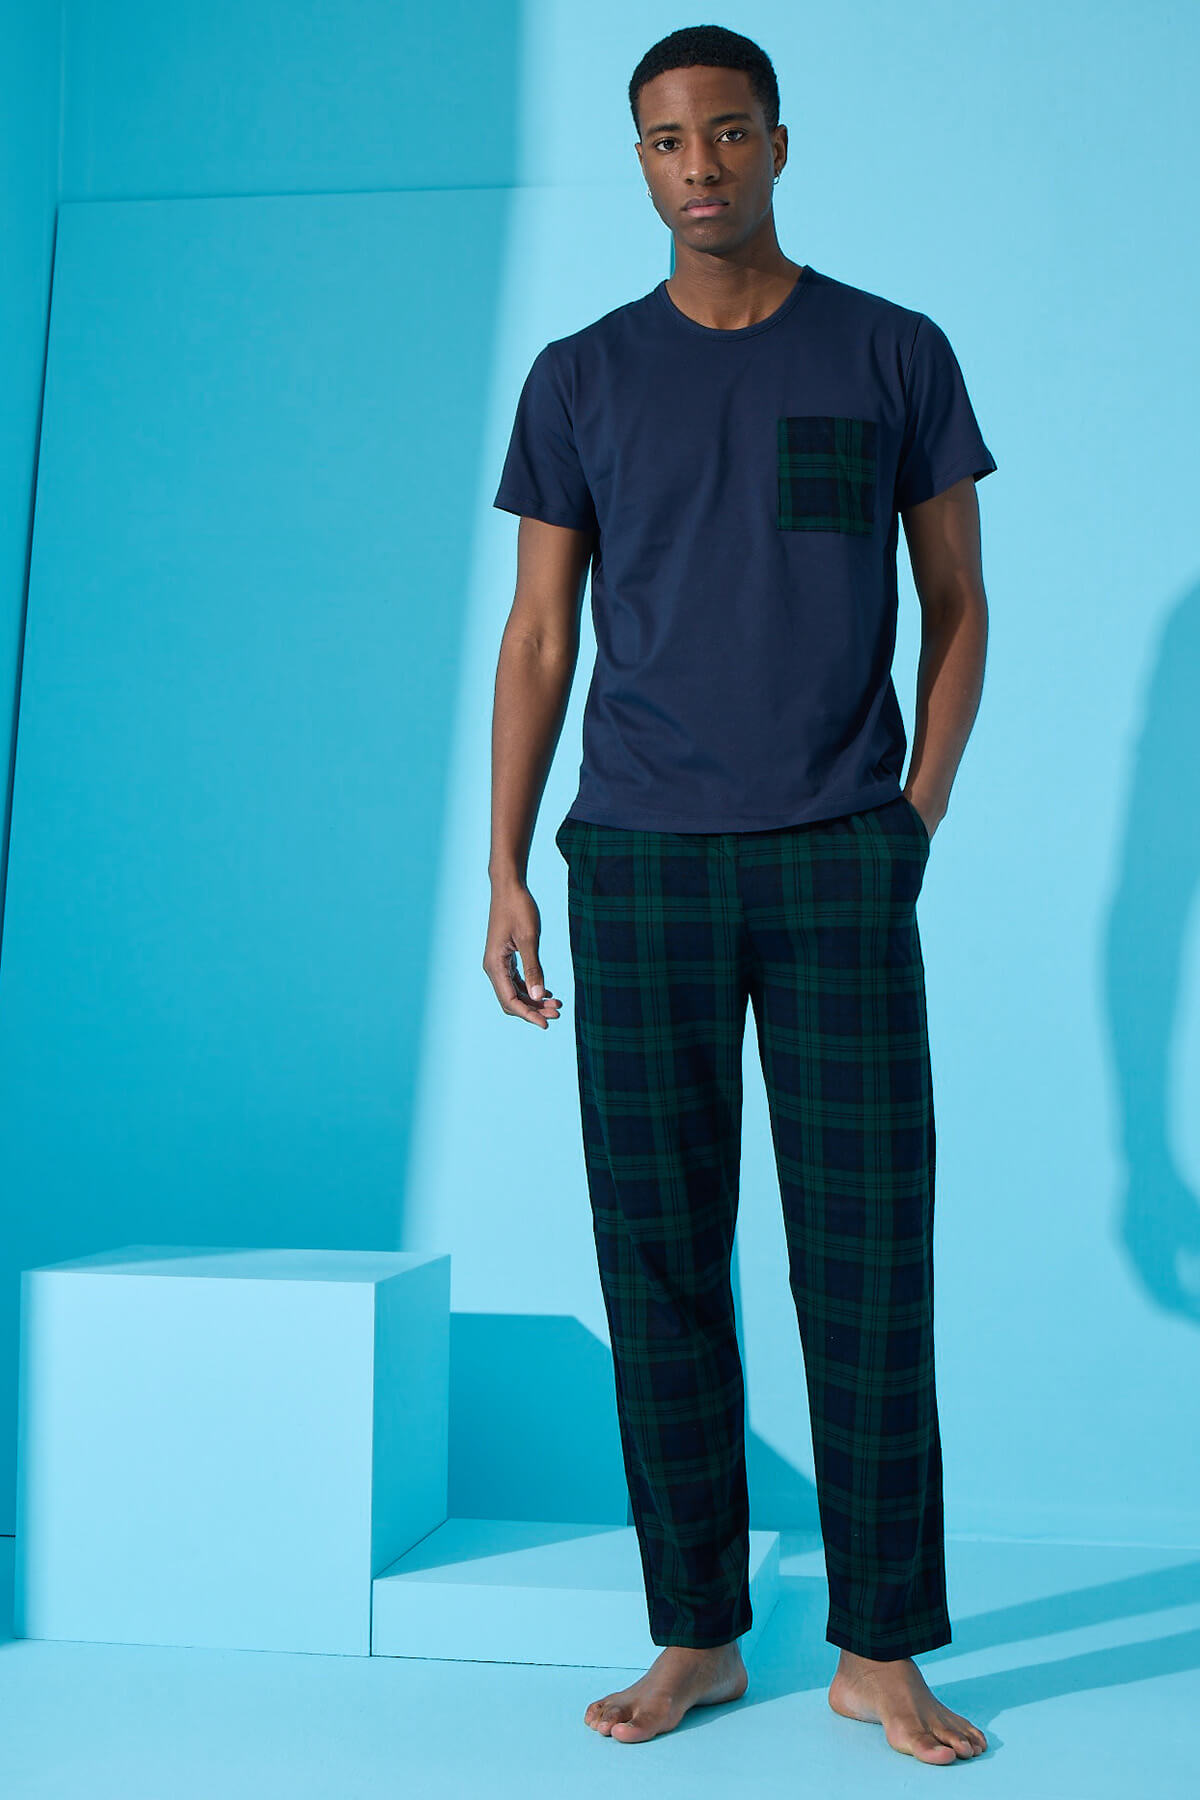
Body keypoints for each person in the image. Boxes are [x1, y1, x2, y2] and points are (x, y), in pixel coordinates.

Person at [483, 21, 994, 1766]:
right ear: (639, 162)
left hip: (840, 859)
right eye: (663, 140)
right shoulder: (580, 378)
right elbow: (539, 636)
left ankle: (880, 1649)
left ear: (778, 142)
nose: (696, 165)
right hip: (637, 865)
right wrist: (507, 867)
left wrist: (911, 819)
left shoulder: (893, 350)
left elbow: (958, 607)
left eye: (725, 132)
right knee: (659, 1260)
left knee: (869, 1259)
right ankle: (697, 1631)